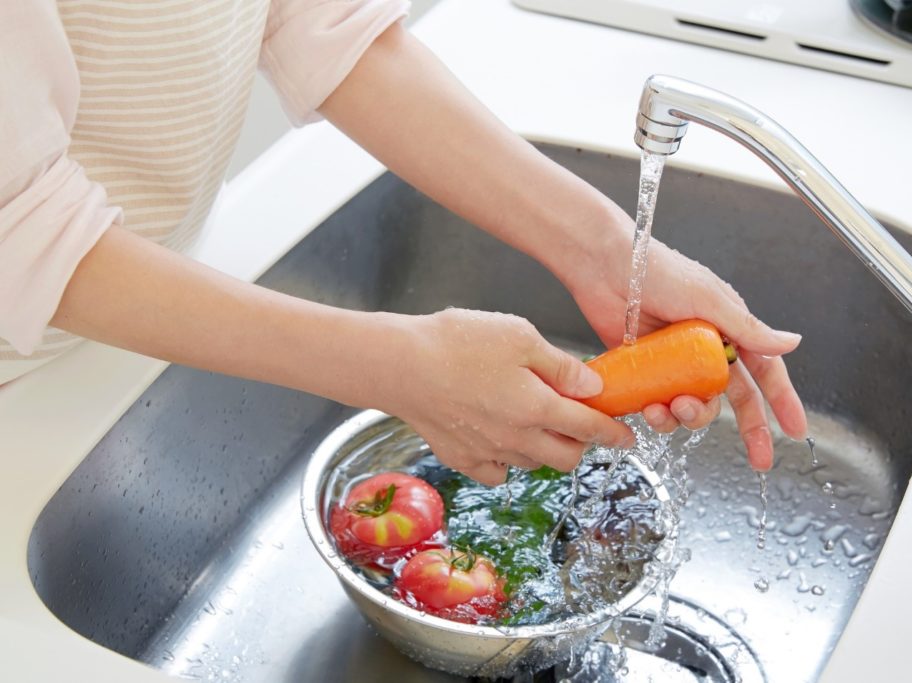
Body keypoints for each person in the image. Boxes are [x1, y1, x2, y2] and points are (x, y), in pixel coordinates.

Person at [0, 0, 806, 485]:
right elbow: (20, 227)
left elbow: (319, 23)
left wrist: (607, 252)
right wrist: (403, 368)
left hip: (136, 311)